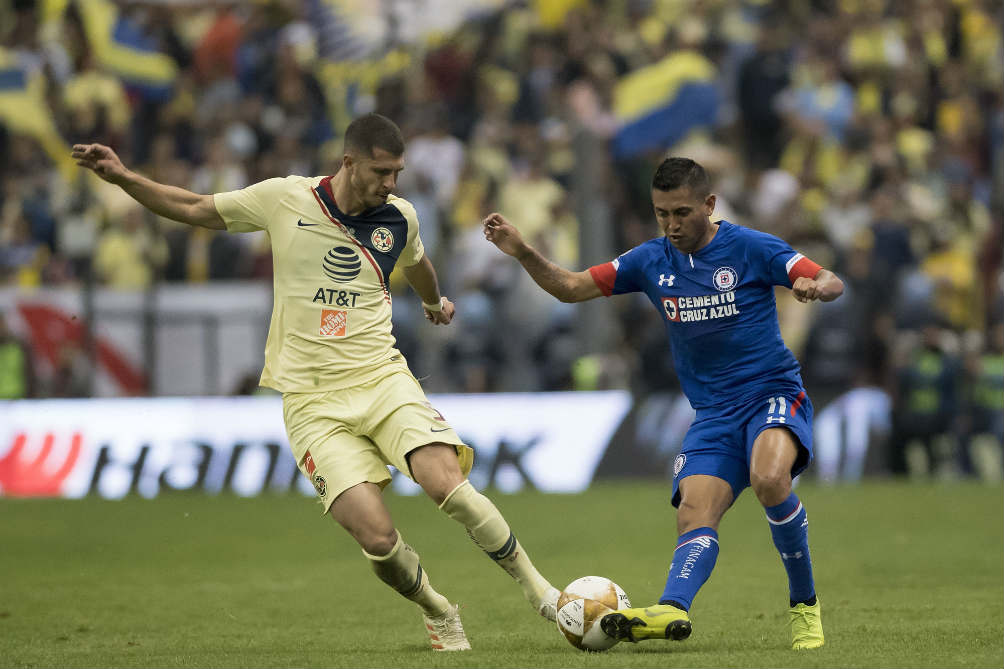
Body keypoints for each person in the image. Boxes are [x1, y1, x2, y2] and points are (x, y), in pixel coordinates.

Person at [72, 113, 559, 652]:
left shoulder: (399, 217)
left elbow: (417, 264)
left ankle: (542, 593)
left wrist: (430, 302)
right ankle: (439, 609)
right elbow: (194, 207)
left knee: (446, 482)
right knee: (377, 538)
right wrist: (124, 178)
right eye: (381, 171)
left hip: (381, 377)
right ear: (348, 162)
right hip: (311, 402)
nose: (391, 183)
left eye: (397, 171)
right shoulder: (286, 199)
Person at [484, 157, 843, 650]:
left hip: (773, 394)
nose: (672, 225)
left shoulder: (752, 248)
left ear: (709, 205)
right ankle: (670, 609)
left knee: (769, 478)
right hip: (714, 413)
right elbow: (570, 288)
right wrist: (523, 251)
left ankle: (804, 607)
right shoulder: (650, 260)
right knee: (693, 513)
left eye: (682, 212)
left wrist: (814, 285)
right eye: (661, 214)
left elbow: (829, 277)